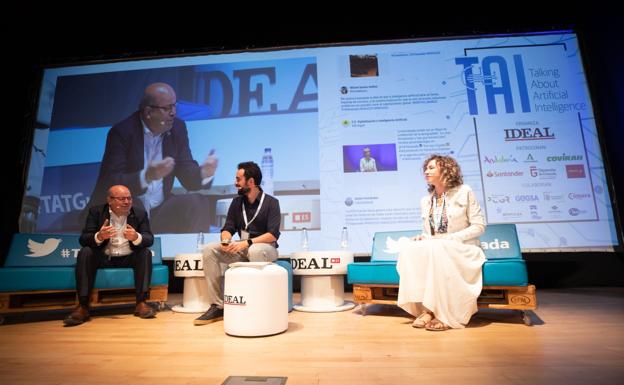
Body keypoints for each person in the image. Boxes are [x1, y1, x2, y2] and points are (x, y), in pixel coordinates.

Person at [84, 82, 218, 233]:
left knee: (197, 202)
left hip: (159, 210)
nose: (173, 112)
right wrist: (147, 176)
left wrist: (204, 173)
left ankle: (196, 253)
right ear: (148, 112)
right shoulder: (122, 132)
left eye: (174, 106)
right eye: (167, 108)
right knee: (133, 206)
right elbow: (111, 181)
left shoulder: (177, 129)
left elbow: (187, 175)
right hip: (128, 210)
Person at [396, 154, 486, 331]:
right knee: (409, 249)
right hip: (437, 245)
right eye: (426, 168)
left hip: (464, 247)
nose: (426, 171)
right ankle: (427, 308)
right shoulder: (426, 200)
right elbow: (431, 232)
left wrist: (450, 238)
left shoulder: (464, 191)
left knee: (438, 248)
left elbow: (479, 226)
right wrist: (422, 237)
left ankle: (442, 314)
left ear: (445, 169)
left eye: (431, 167)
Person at [194, 162, 281, 325]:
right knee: (209, 250)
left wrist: (246, 242)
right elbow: (228, 227)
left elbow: (273, 235)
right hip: (243, 249)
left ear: (251, 182)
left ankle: (258, 304)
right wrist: (226, 241)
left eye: (238, 179)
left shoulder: (271, 203)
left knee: (255, 250)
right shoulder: (236, 203)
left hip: (265, 249)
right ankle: (217, 306)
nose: (235, 183)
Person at [64, 185, 156, 326]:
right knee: (86, 252)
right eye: (121, 199)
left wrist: (136, 237)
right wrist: (99, 236)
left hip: (128, 258)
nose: (127, 202)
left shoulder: (140, 214)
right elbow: (83, 239)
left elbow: (149, 238)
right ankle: (83, 306)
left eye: (129, 198)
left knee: (145, 253)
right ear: (110, 200)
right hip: (104, 258)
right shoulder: (96, 212)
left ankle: (141, 303)